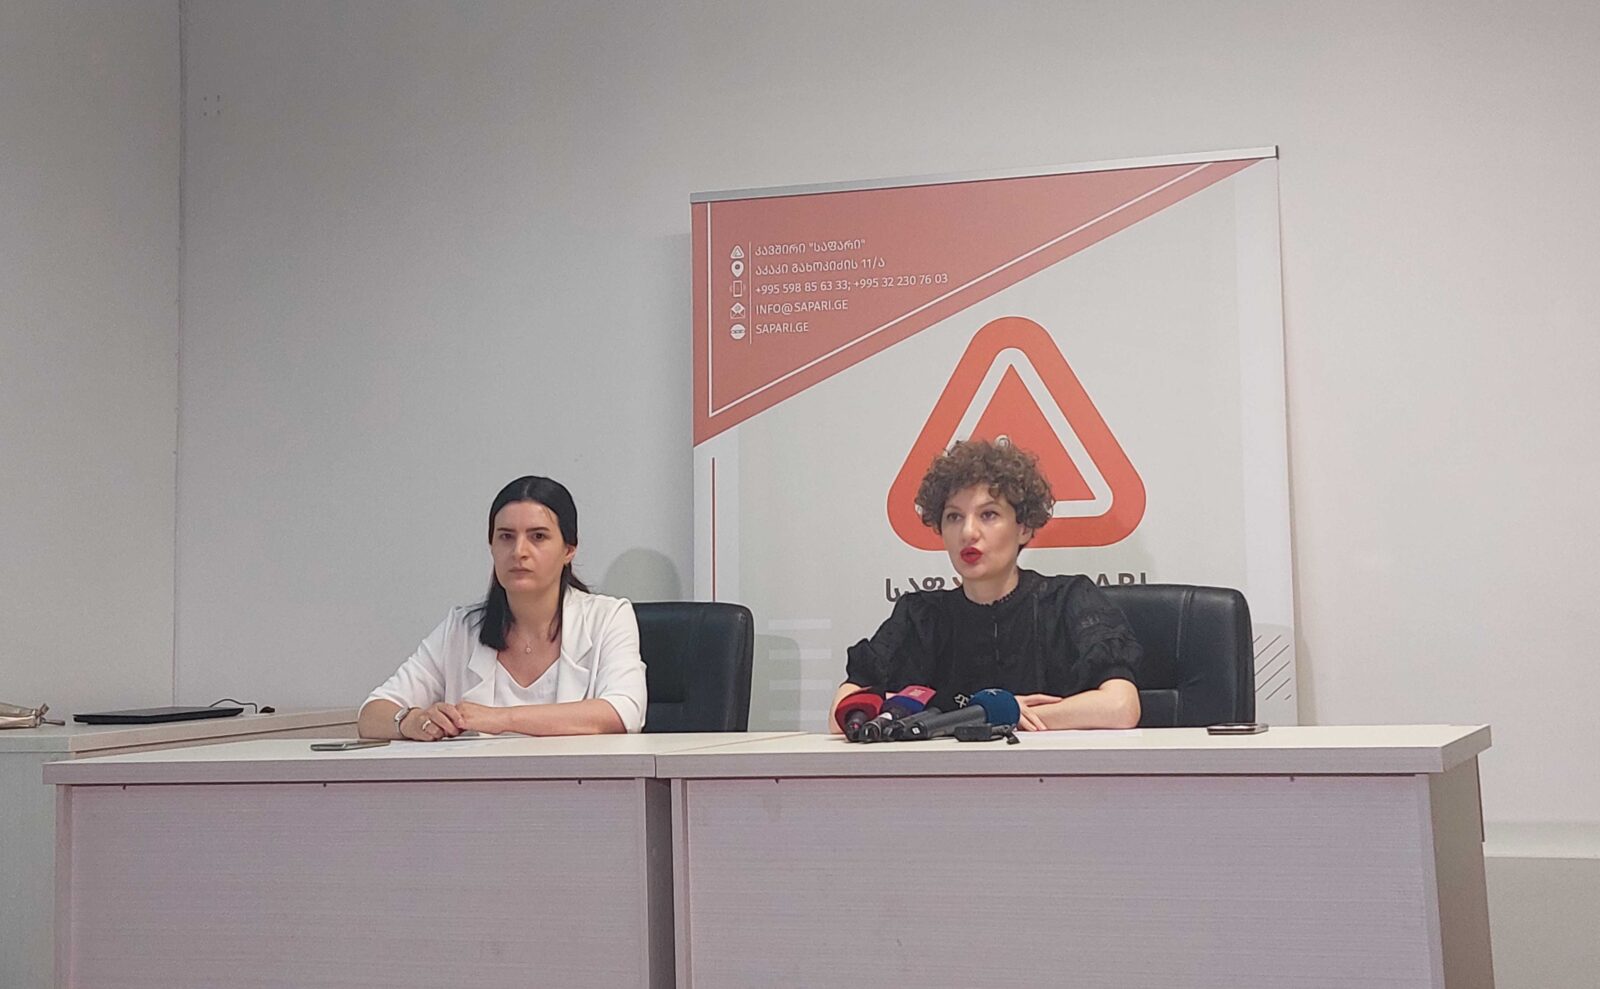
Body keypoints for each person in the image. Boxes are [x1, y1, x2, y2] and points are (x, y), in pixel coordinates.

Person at [832, 439, 1142, 732]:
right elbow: (843, 714)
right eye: (954, 517)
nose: (968, 532)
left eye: (988, 514)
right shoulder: (920, 616)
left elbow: (1121, 706)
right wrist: (979, 716)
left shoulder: (1068, 600)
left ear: (1023, 528)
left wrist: (1003, 716)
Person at [358, 476, 647, 740]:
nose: (519, 551)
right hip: (480, 782)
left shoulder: (608, 617)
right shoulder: (461, 628)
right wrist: (411, 720)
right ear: (492, 547)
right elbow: (372, 714)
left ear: (569, 550)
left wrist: (500, 719)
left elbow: (623, 712)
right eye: (506, 537)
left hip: (582, 781)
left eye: (538, 536)